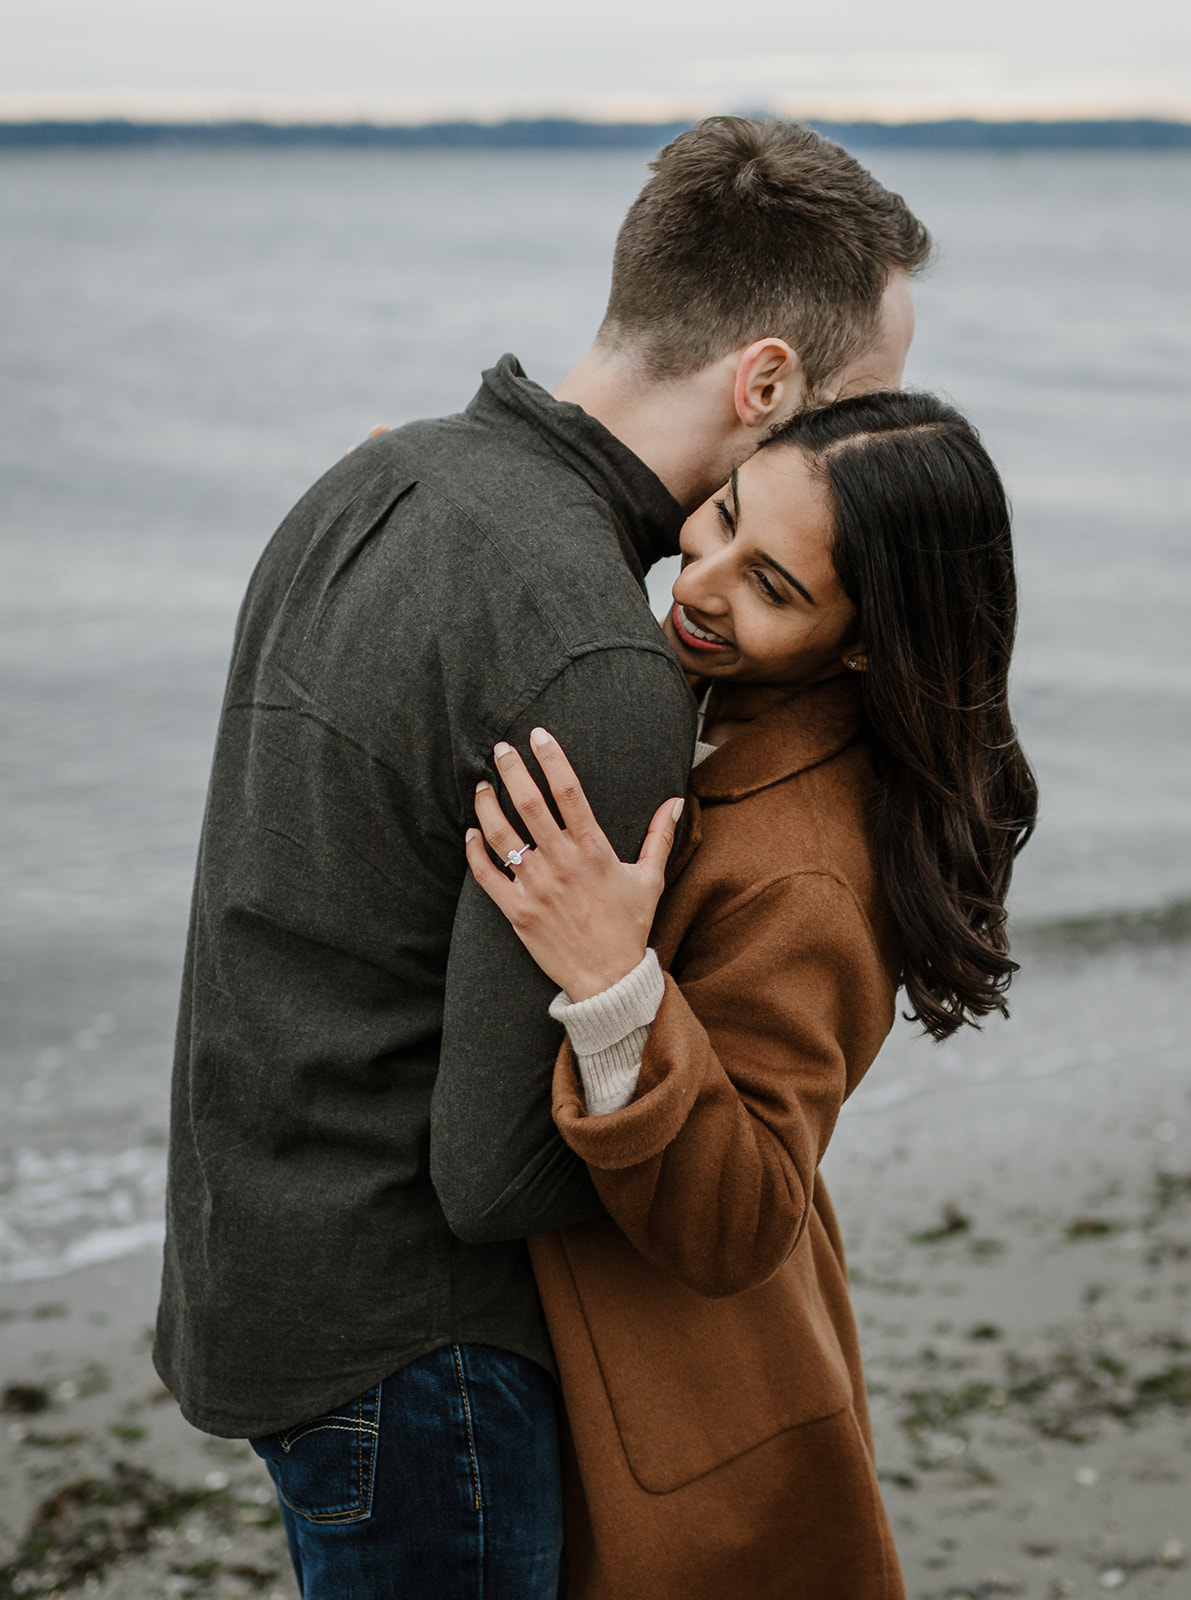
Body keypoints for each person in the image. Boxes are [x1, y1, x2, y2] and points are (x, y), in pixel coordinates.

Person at [153, 118, 929, 1598]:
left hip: (249, 1270)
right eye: (854, 405)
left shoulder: (373, 484)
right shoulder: (592, 653)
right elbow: (497, 1173)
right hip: (421, 1349)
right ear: (766, 382)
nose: (858, 450)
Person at [464, 390, 1038, 1599]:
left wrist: (616, 981)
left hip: (697, 1397)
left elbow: (743, 1214)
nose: (701, 579)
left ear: (869, 640)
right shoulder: (747, 696)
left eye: (773, 586)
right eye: (718, 517)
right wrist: (441, 514)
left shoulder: (812, 878)